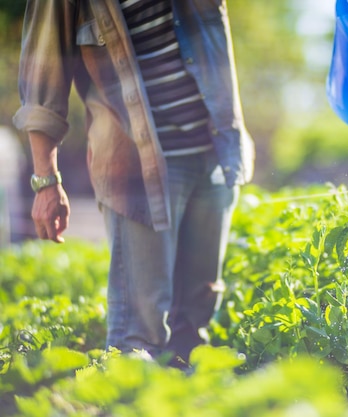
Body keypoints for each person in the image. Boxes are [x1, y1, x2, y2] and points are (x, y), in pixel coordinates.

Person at [13, 0, 255, 367]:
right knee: (138, 341)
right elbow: (42, 78)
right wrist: (46, 181)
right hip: (135, 169)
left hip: (214, 151)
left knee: (194, 326)